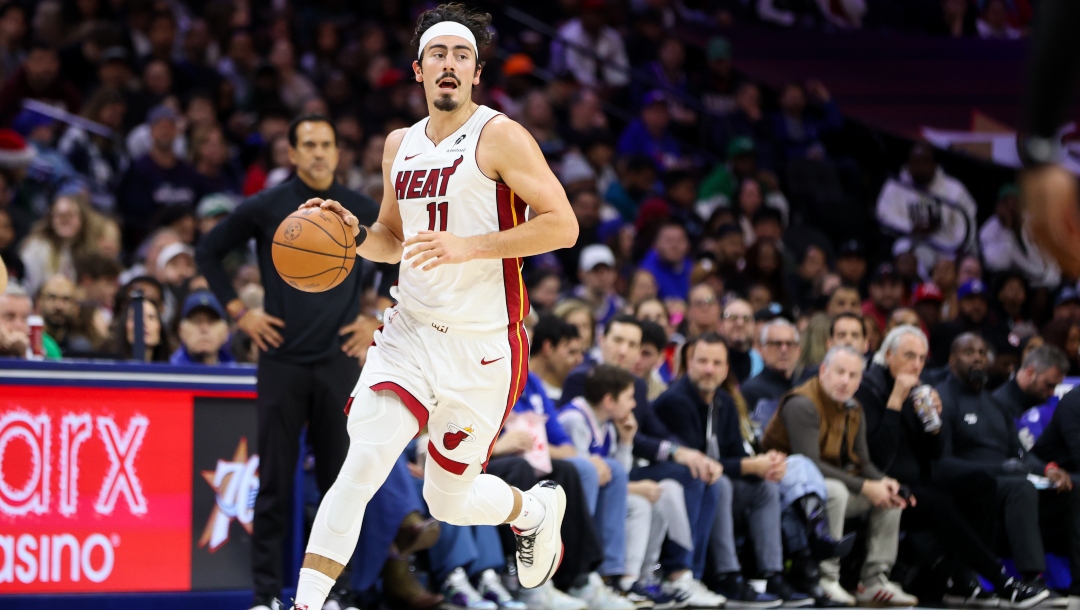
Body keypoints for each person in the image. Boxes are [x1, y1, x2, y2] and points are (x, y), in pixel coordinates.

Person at [287, 7, 580, 610]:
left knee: (449, 501)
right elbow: (393, 240)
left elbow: (564, 226)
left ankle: (534, 508)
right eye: (439, 55)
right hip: (410, 332)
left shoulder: (500, 136)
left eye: (462, 55)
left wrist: (469, 246)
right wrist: (353, 234)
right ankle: (306, 603)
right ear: (418, 70)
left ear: (476, 71)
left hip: (481, 345)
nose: (450, 64)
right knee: (361, 464)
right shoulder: (401, 144)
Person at [195, 111, 381, 610]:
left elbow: (406, 262)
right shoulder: (266, 205)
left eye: (327, 143)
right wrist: (239, 313)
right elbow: (208, 251)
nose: (319, 152)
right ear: (292, 153)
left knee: (340, 487)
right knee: (275, 485)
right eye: (309, 144)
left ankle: (336, 595)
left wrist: (377, 319)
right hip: (280, 360)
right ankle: (265, 597)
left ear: (338, 153)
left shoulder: (362, 208)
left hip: (340, 361)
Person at [858, 326, 1050, 607]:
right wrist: (896, 401)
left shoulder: (918, 390)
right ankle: (999, 579)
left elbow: (933, 453)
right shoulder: (869, 389)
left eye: (922, 358)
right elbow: (880, 455)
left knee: (981, 484)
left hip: (920, 476)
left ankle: (965, 577)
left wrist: (933, 425)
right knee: (940, 504)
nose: (916, 365)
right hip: (885, 480)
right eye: (909, 355)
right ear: (888, 355)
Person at [762, 346, 918, 607]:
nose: (845, 381)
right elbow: (810, 464)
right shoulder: (802, 403)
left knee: (889, 498)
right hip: (786, 486)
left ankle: (874, 580)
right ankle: (826, 577)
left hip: (825, 485)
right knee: (835, 490)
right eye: (840, 372)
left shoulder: (853, 407)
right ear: (824, 371)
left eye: (853, 375)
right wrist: (867, 486)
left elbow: (863, 461)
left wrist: (882, 482)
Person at [656, 334, 800, 608]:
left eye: (716, 363)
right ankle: (727, 575)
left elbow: (734, 453)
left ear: (725, 369)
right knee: (719, 483)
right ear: (689, 363)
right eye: (703, 361)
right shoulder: (675, 401)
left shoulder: (723, 401)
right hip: (684, 490)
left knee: (765, 487)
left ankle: (772, 573)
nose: (709, 369)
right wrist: (749, 465)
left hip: (714, 486)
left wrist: (763, 463)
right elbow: (696, 464)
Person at [936, 333, 1080, 605]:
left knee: (1073, 487)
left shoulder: (994, 405)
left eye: (982, 351)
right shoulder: (944, 399)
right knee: (1020, 486)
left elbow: (1021, 453)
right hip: (973, 483)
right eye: (969, 352)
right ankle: (1032, 579)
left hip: (1008, 479)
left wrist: (1049, 469)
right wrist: (1000, 467)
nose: (978, 357)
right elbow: (941, 464)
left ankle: (1078, 582)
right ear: (951, 360)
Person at [875, 142, 977, 273]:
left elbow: (967, 222)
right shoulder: (896, 186)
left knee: (967, 263)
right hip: (912, 242)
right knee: (908, 254)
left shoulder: (954, 189)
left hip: (947, 246)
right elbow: (883, 215)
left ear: (935, 164)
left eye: (925, 161)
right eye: (915, 162)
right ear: (908, 164)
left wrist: (959, 249)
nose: (920, 167)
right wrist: (913, 228)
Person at [741, 319, 801, 413]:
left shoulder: (805, 387)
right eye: (777, 344)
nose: (784, 350)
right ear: (761, 350)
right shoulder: (750, 390)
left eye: (789, 344)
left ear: (798, 351)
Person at [169, 290, 234, 366]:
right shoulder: (164, 374)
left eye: (211, 322)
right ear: (181, 331)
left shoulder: (240, 374)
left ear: (226, 332)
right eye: (196, 321)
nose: (204, 329)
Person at [720, 298, 763, 384]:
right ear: (720, 324)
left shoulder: (761, 361)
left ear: (753, 325)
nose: (740, 323)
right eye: (733, 318)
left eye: (746, 318)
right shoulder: (712, 358)